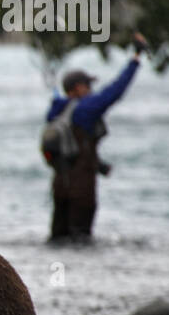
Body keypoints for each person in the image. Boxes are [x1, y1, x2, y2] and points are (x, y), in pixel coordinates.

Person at [45, 32, 148, 244]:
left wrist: (99, 165)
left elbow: (70, 148)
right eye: (87, 85)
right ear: (76, 89)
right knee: (81, 242)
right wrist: (136, 58)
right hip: (81, 188)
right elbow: (116, 91)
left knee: (57, 240)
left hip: (59, 186)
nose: (91, 90)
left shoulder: (57, 109)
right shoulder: (86, 109)